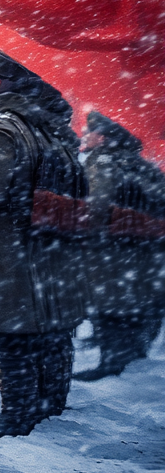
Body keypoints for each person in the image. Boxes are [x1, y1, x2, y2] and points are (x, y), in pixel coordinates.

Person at [0, 43, 84, 440]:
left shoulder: (0, 126)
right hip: (43, 249)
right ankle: (47, 406)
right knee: (46, 332)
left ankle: (17, 415)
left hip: (5, 249)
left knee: (8, 335)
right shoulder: (45, 129)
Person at [79, 110, 165, 379]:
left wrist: (82, 233)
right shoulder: (140, 163)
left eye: (89, 132)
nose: (84, 135)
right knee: (140, 304)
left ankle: (111, 362)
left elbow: (97, 206)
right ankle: (134, 353)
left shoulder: (103, 161)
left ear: (102, 138)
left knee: (108, 304)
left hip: (114, 250)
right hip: (148, 250)